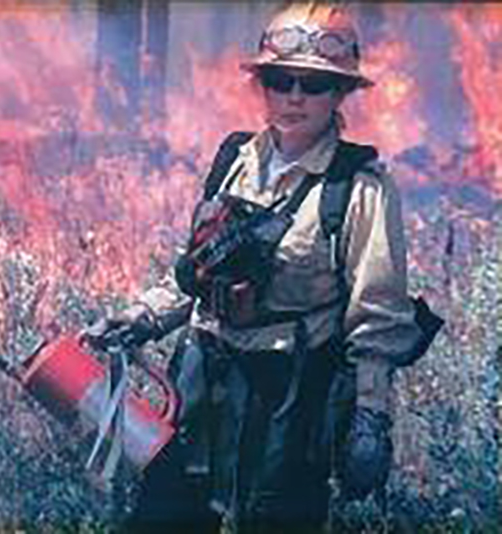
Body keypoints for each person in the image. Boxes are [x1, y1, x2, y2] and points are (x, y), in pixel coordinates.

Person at [85, 3, 430, 533]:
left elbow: (377, 318)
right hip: (201, 382)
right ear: (263, 85)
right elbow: (193, 278)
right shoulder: (234, 161)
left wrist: (370, 418)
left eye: (314, 85)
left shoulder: (358, 188)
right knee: (165, 518)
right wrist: (137, 317)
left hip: (290, 396)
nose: (294, 96)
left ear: (340, 95)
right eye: (280, 80)